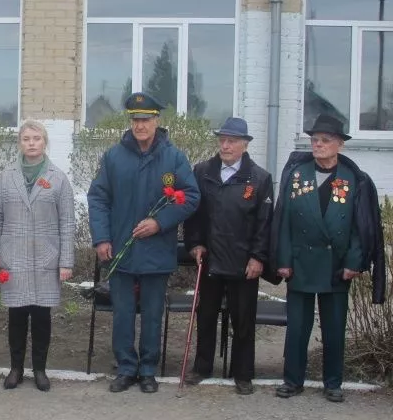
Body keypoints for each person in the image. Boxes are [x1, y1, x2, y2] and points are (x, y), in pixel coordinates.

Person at [88, 92, 200, 394]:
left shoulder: (174, 157)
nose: (140, 125)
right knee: (123, 313)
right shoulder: (114, 156)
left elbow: (190, 196)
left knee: (152, 313)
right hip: (121, 248)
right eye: (135, 120)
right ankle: (126, 367)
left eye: (146, 119)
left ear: (156, 121)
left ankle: (148, 369)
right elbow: (98, 197)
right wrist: (101, 238)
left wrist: (159, 222)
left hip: (156, 250)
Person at [271, 114, 386, 403]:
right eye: (314, 140)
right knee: (297, 328)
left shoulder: (353, 179)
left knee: (335, 328)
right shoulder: (297, 174)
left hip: (336, 266)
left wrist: (354, 262)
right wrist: (282, 260)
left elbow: (361, 227)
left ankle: (333, 383)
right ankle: (292, 380)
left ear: (340, 145)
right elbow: (283, 220)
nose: (318, 145)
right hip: (300, 264)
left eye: (325, 140)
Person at [183, 117, 274, 395]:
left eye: (232, 141)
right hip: (210, 258)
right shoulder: (202, 171)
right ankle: (202, 367)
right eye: (222, 139)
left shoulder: (259, 178)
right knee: (206, 315)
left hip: (243, 262)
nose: (225, 145)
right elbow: (194, 213)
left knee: (243, 319)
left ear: (244, 145)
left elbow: (264, 223)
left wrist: (258, 257)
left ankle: (243, 373)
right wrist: (195, 243)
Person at [0, 120, 75, 392]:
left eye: (36, 138)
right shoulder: (5, 176)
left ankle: (40, 369)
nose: (31, 143)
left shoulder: (58, 178)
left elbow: (67, 223)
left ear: (44, 141)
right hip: (14, 256)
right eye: (26, 138)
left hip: (46, 257)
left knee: (41, 315)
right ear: (20, 143)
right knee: (16, 314)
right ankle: (15, 368)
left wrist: (66, 261)